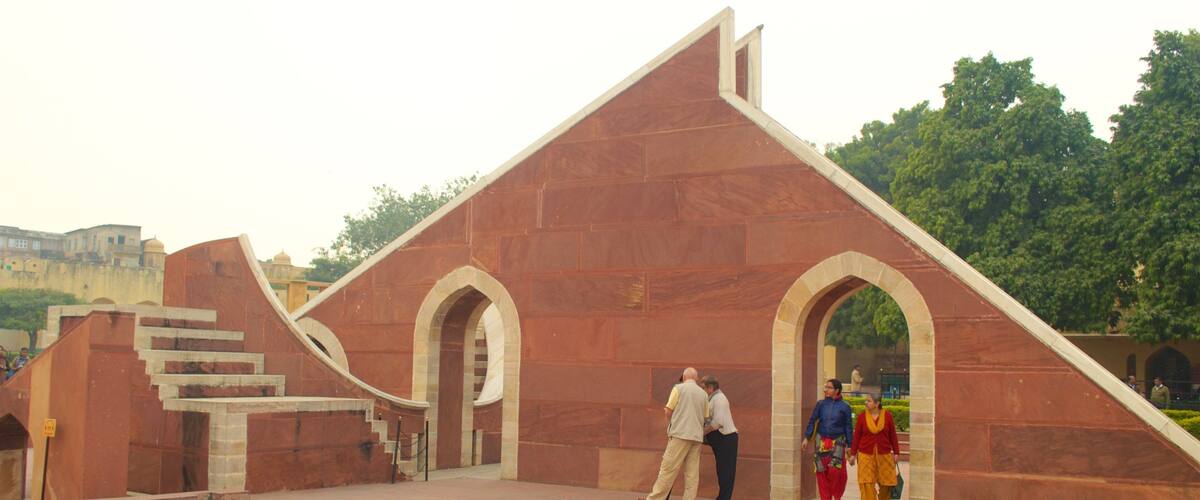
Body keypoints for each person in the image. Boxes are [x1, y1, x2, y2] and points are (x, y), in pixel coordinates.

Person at [647, 367, 708, 500]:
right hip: (696, 437)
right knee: (692, 475)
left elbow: (668, 410)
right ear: (696, 379)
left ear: (684, 377)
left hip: (680, 434)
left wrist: (672, 422)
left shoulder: (678, 389)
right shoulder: (703, 394)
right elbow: (705, 416)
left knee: (668, 470)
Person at [802, 378, 854, 500]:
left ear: (837, 390)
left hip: (838, 442)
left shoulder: (845, 406)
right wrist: (806, 437)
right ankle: (825, 497)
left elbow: (848, 427)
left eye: (829, 387)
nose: (826, 389)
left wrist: (850, 446)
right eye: (826, 387)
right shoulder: (821, 404)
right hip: (821, 442)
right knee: (821, 472)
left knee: (835, 472)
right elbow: (812, 421)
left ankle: (836, 496)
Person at [849, 393, 899, 500]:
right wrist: (853, 454)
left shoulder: (887, 416)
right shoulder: (862, 416)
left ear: (877, 403)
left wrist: (896, 452)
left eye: (869, 401)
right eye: (866, 400)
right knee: (866, 482)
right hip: (865, 454)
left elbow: (893, 436)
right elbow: (857, 436)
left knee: (887, 483)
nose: (866, 403)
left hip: (884, 454)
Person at [701, 375, 738, 500]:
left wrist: (701, 434)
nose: (702, 391)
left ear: (710, 388)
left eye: (703, 388)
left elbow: (717, 423)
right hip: (721, 439)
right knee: (721, 471)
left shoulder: (720, 399)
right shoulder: (713, 399)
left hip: (726, 439)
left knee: (726, 472)